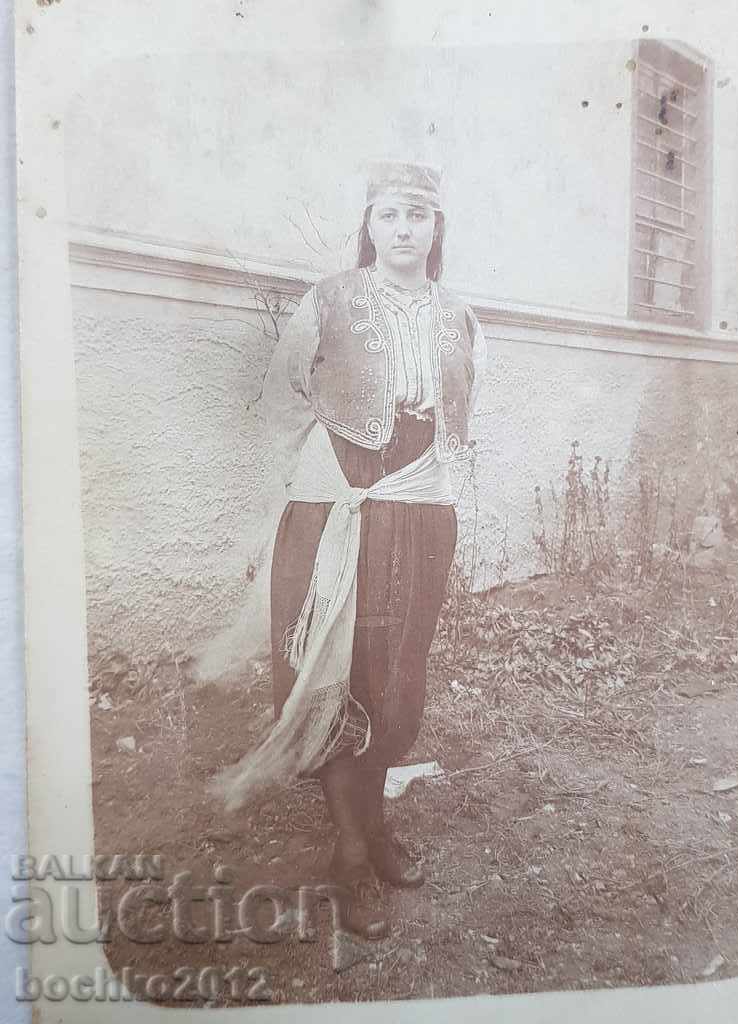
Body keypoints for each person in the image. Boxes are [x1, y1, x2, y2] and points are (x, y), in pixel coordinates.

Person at [211, 161, 486, 938]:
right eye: (389, 214)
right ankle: (352, 852)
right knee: (338, 677)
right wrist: (327, 480)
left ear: (437, 227)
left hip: (420, 511)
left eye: (418, 215)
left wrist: (434, 488)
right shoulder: (329, 300)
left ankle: (375, 825)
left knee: (398, 682)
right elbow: (282, 395)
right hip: (336, 503)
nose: (403, 229)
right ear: (368, 224)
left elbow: (462, 415)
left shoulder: (460, 318)